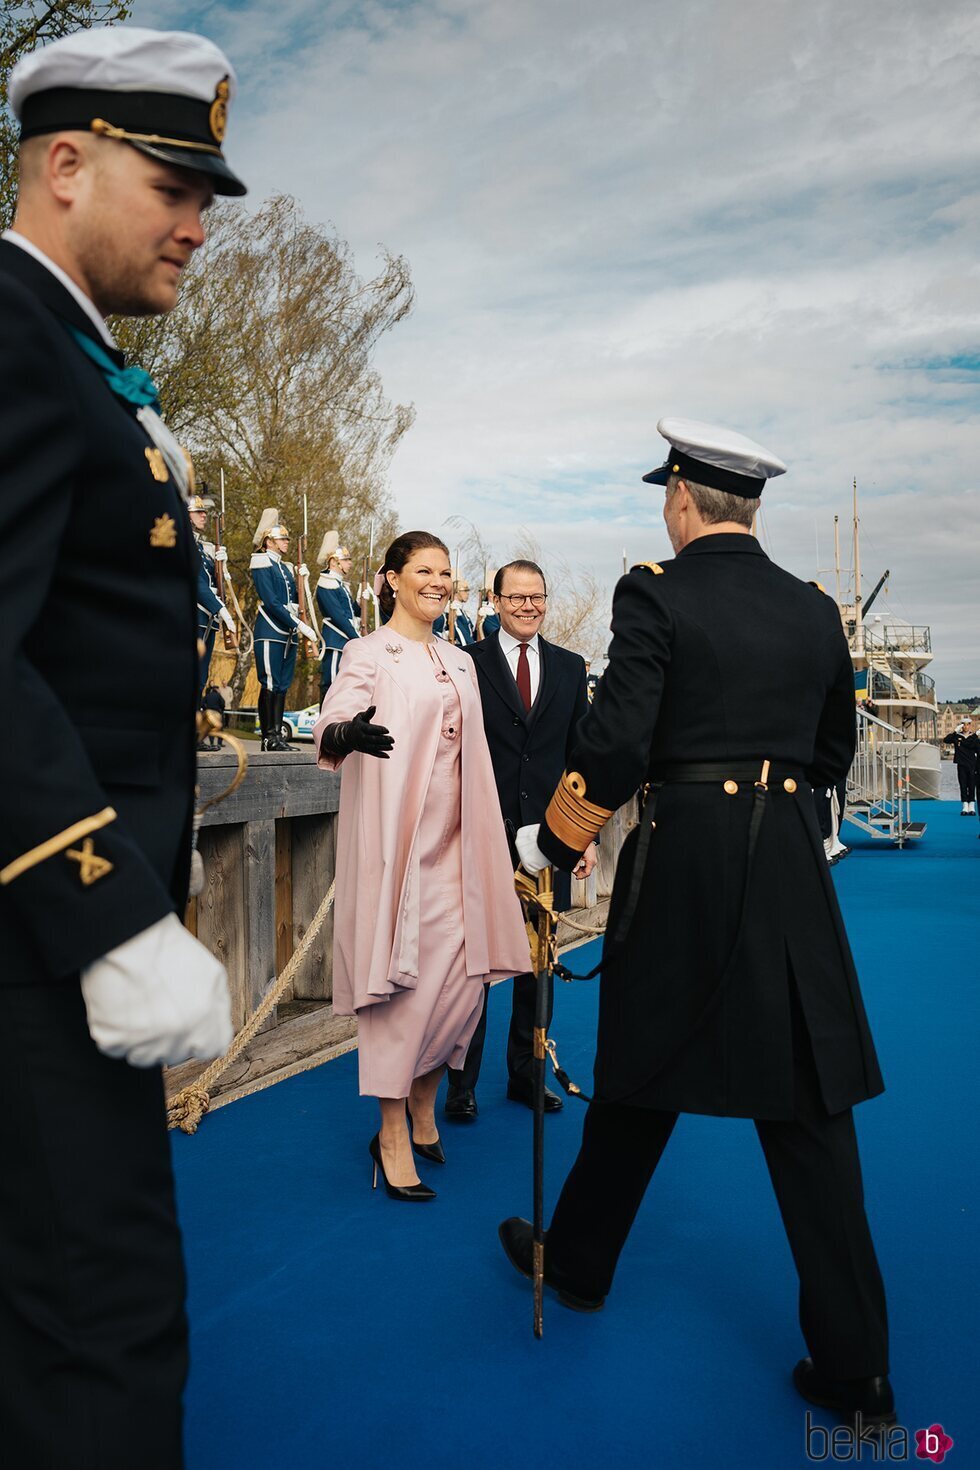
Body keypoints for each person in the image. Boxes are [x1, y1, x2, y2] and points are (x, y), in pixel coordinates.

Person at [501, 418, 894, 1432]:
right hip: (782, 864)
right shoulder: (811, 610)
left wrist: (548, 845)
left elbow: (617, 738)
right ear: (747, 505)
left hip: (681, 862)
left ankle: (578, 1266)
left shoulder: (655, 591)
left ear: (679, 499)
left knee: (640, 1067)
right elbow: (831, 747)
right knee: (807, 1105)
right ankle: (855, 1370)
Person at [0, 25, 243, 1466]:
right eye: (176, 185)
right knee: (105, 1324)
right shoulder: (14, 333)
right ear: (67, 162)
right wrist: (105, 915)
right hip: (36, 937)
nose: (201, 225)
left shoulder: (69, 352)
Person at [312, 531, 530, 1200]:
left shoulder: (461, 661)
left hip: (461, 853)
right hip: (399, 857)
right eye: (424, 570)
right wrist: (343, 733)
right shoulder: (367, 651)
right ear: (391, 580)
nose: (438, 580)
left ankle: (425, 1103)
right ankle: (391, 1132)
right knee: (400, 995)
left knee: (462, 991)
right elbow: (335, 714)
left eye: (445, 571)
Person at [445, 559, 595, 1121]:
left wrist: (582, 838)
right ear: (496, 600)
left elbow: (581, 756)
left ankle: (526, 1075)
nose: (527, 606)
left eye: (537, 597)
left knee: (539, 966)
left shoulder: (570, 667)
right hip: (481, 835)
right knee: (474, 967)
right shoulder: (465, 663)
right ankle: (462, 1084)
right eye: (516, 597)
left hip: (550, 838)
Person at [250, 507, 319, 751]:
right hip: (270, 630)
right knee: (269, 683)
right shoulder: (261, 561)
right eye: (282, 539)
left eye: (287, 539)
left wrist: (303, 579)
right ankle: (268, 736)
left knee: (281, 685)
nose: (286, 542)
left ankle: (277, 736)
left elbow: (296, 600)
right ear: (269, 541)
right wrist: (299, 624)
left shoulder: (284, 567)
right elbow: (272, 602)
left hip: (287, 633)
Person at [189, 492, 235, 699]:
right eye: (198, 512)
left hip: (207, 620)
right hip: (192, 618)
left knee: (200, 677)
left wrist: (221, 567)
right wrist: (221, 609)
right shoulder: (184, 543)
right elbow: (196, 584)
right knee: (188, 675)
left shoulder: (201, 547)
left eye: (204, 512)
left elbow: (215, 584)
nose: (203, 516)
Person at [315, 529, 360, 703]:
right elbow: (338, 616)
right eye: (346, 560)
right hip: (334, 641)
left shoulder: (340, 585)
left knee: (341, 687)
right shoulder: (327, 583)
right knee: (331, 684)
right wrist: (356, 637)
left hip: (344, 641)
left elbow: (353, 611)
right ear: (334, 562)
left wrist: (361, 599)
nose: (349, 563)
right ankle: (326, 726)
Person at [942, 720, 976, 814]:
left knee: (972, 785)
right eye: (964, 725)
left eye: (968, 724)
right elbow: (946, 740)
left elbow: (976, 748)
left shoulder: (973, 736)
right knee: (963, 785)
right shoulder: (957, 736)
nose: (966, 727)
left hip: (972, 764)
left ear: (970, 725)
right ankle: (965, 806)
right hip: (961, 764)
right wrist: (954, 731)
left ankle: (972, 806)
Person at [444, 574, 476, 646]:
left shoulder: (461, 611)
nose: (467, 593)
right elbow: (460, 632)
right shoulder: (451, 610)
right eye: (465, 590)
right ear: (456, 592)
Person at [202, 682, 227, 749]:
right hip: (217, 713)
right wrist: (221, 709)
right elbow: (223, 704)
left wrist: (206, 709)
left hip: (209, 713)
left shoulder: (207, 696)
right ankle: (219, 743)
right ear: (216, 689)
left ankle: (212, 742)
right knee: (220, 728)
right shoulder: (218, 696)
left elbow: (202, 704)